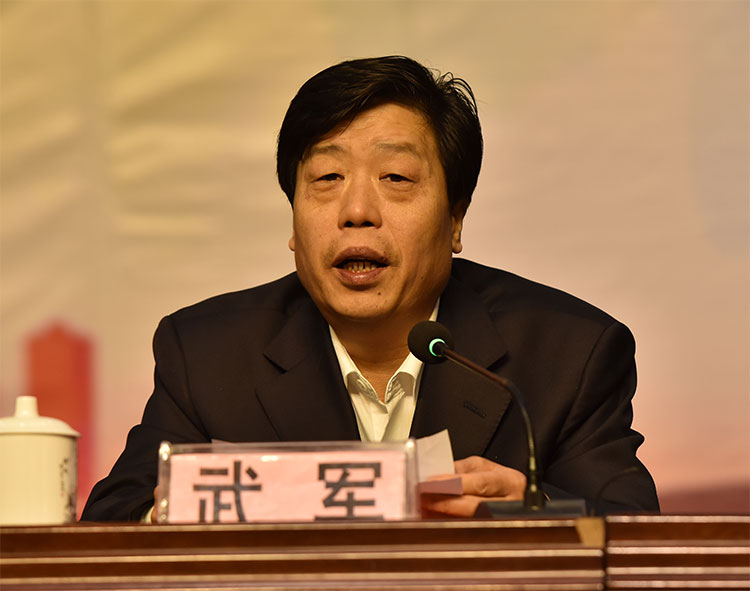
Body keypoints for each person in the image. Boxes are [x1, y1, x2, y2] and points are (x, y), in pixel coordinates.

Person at [81, 56, 659, 522]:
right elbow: (113, 524)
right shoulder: (209, 354)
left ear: (456, 219)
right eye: (327, 178)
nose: (356, 210)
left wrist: (537, 515)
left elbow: (635, 539)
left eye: (396, 178)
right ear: (293, 219)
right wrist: (190, 511)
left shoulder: (567, 353)